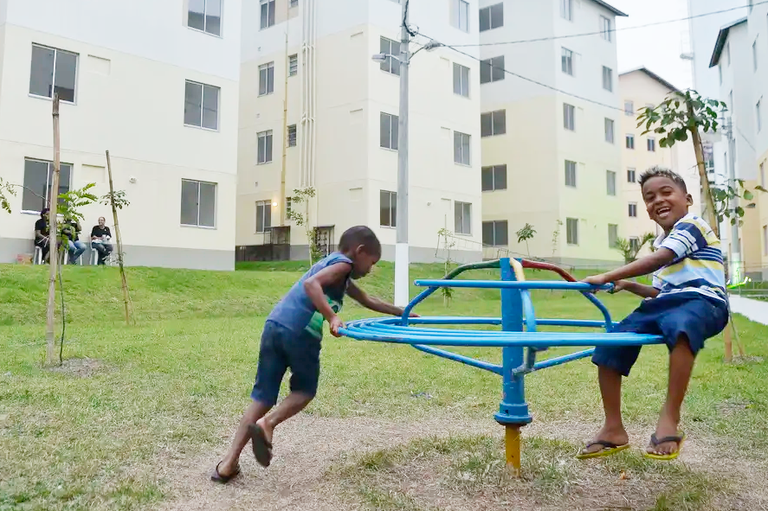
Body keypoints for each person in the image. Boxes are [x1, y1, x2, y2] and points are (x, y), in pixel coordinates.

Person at [211, 226, 415, 483]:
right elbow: (312, 285)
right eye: (372, 262)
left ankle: (227, 464)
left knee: (262, 397)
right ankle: (268, 424)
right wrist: (332, 316)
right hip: (300, 332)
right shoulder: (343, 266)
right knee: (304, 392)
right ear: (359, 251)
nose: (370, 269)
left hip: (274, 326)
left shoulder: (334, 269)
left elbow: (367, 299)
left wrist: (402, 313)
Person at [578, 167, 728, 461]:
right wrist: (631, 285)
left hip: (704, 302)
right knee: (613, 341)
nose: (658, 200)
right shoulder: (662, 242)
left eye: (666, 192)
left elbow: (660, 259)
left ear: (687, 199)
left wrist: (607, 275)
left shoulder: (692, 226)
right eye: (650, 197)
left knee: (682, 325)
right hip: (667, 303)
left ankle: (669, 421)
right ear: (647, 210)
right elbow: (660, 293)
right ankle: (613, 429)